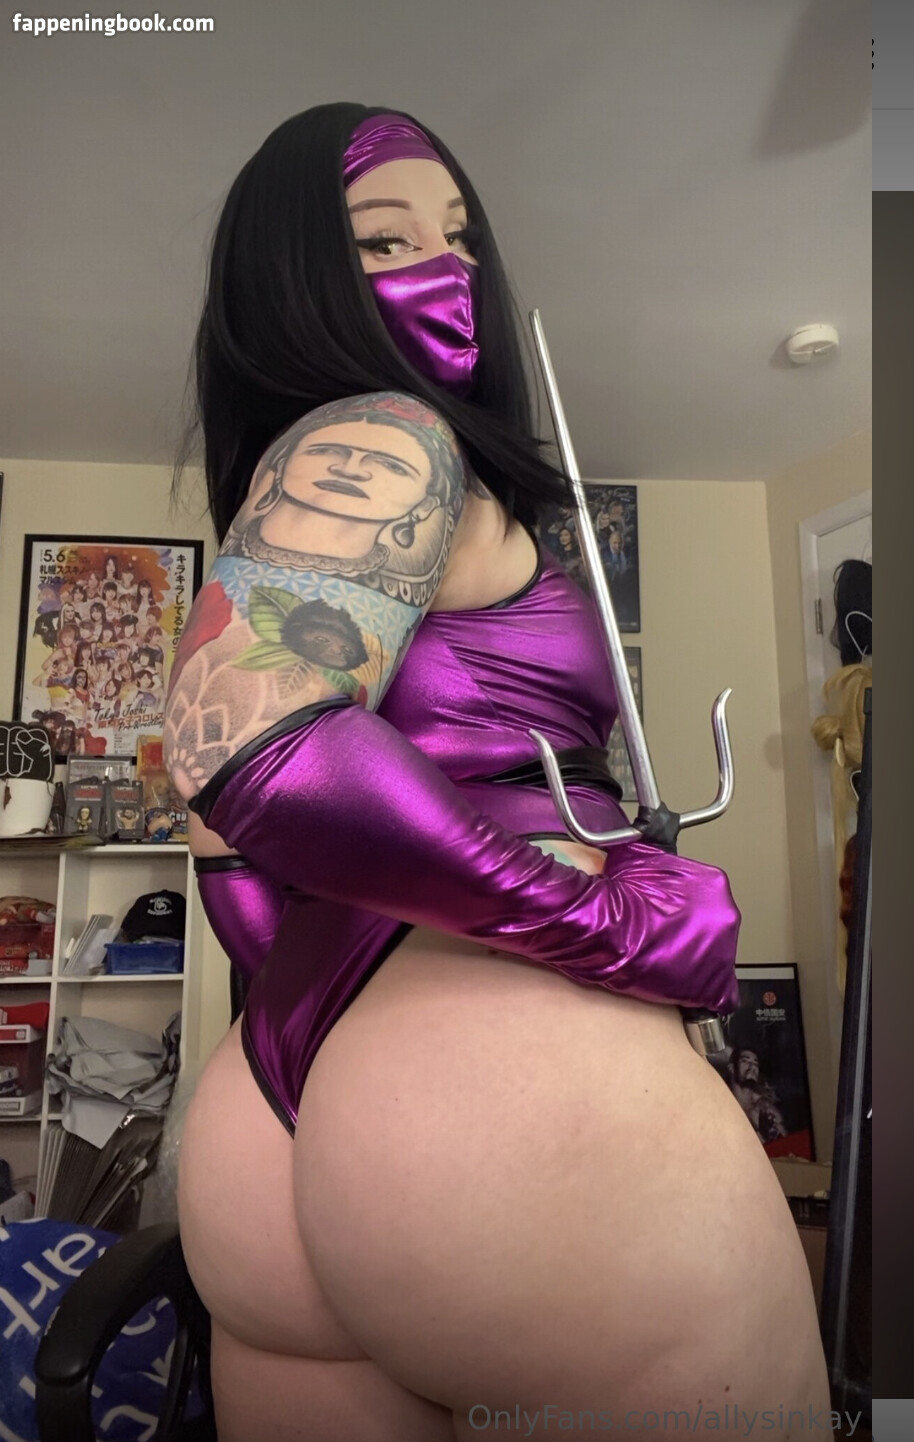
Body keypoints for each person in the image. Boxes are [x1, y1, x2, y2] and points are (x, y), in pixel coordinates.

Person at [165, 104, 827, 1441]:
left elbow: (219, 831)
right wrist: (600, 922)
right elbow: (244, 741)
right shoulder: (390, 441)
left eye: (457, 238)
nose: (446, 269)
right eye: (384, 241)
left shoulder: (296, 487)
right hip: (501, 1089)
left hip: (284, 1108)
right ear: (296, 272)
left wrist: (323, 1032)